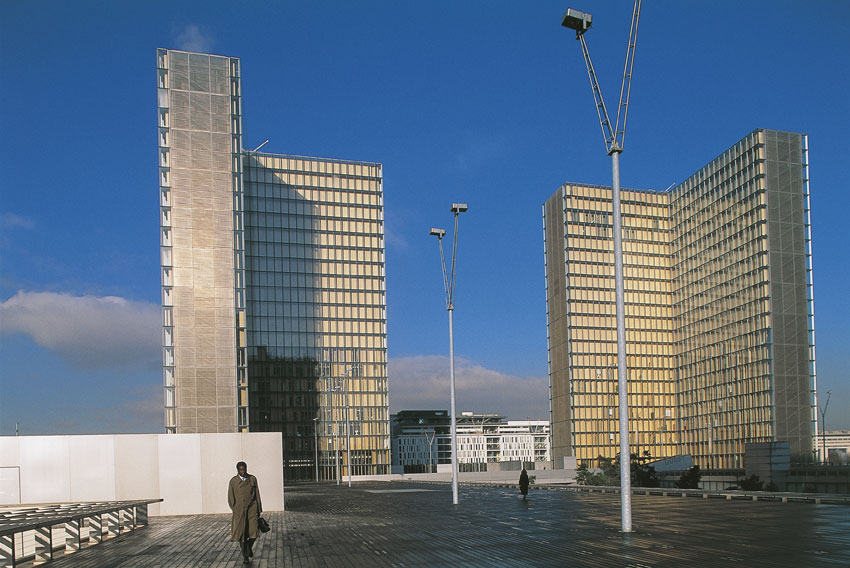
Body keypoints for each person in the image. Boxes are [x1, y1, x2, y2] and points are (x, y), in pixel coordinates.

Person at [228, 461, 263, 563]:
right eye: (241, 469)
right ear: (237, 470)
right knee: (242, 534)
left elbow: (257, 494)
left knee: (254, 532)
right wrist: (235, 510)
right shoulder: (233, 481)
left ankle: (248, 548)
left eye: (244, 469)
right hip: (240, 511)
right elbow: (230, 497)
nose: (243, 471)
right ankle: (245, 556)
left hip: (252, 509)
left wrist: (259, 509)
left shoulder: (252, 479)